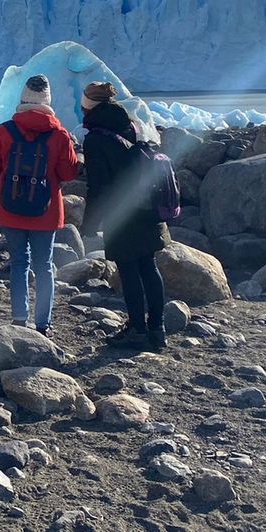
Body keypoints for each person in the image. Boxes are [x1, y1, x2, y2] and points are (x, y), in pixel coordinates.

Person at [0, 74, 79, 336]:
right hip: (45, 211)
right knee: (44, 265)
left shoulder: (4, 131)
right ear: (47, 101)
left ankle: (18, 318)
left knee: (18, 263)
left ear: (22, 99)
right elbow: (69, 173)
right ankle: (43, 323)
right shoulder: (59, 134)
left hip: (10, 207)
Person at [79, 81, 171, 351]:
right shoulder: (132, 124)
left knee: (129, 270)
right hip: (148, 207)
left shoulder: (96, 137)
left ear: (89, 106)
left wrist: (90, 223)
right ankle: (157, 328)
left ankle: (137, 330)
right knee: (149, 267)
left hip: (122, 214)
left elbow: (97, 186)